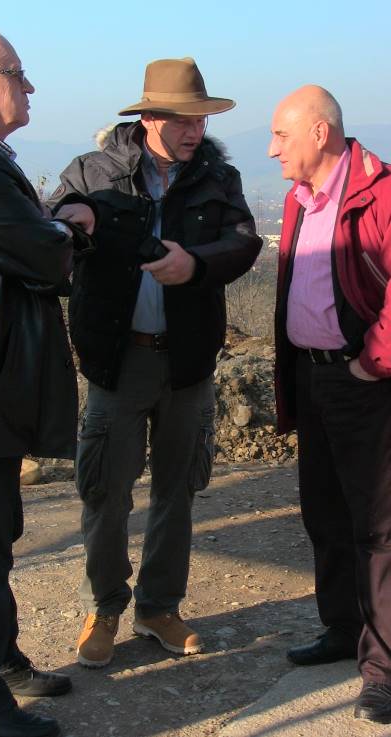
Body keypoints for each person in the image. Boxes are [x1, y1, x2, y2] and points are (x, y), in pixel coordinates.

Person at [48, 56, 261, 668]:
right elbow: (55, 216)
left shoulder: (219, 177)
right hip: (118, 361)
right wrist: (73, 218)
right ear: (148, 118)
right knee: (105, 492)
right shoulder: (93, 171)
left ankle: (159, 607)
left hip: (188, 362)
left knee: (178, 490)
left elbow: (243, 241)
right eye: (184, 120)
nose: (196, 131)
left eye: (202, 119)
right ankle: (104, 608)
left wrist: (196, 265)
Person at [0, 28, 96, 737]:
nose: (29, 87)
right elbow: (41, 257)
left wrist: (47, 224)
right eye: (17, 74)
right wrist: (70, 226)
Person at [270, 84, 391, 724]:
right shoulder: (299, 198)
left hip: (363, 380)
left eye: (281, 135)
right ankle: (343, 629)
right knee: (324, 511)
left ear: (320, 133)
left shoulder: (380, 192)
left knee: (378, 527)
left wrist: (373, 361)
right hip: (311, 377)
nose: (272, 150)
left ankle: (385, 671)